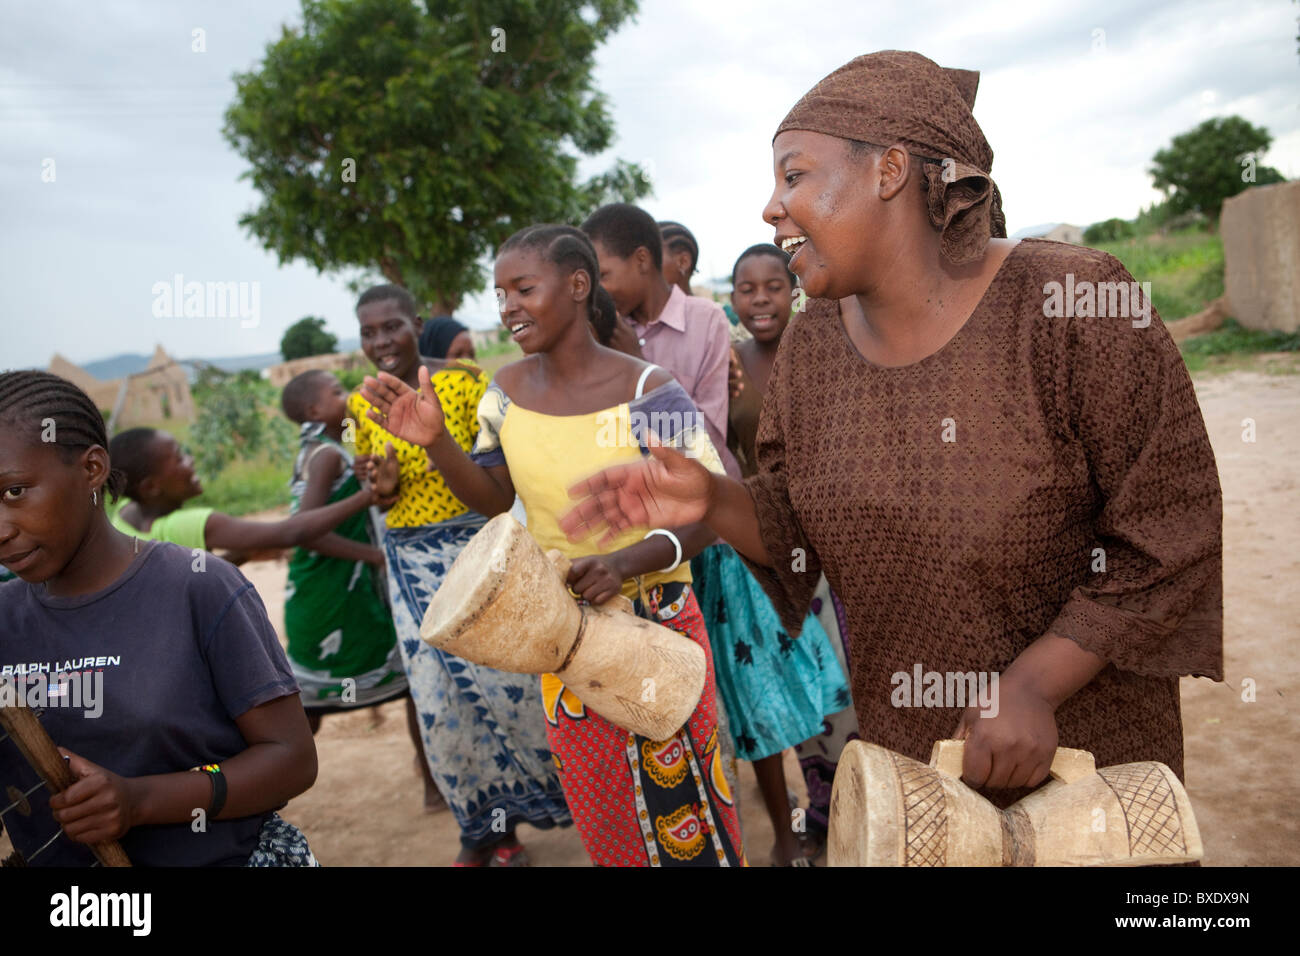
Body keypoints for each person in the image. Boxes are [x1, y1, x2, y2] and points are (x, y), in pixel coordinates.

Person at [559, 51, 1223, 812]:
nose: (771, 208)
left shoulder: (1069, 303)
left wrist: (1036, 684)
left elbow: (1171, 523)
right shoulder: (814, 348)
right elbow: (795, 527)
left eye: (794, 175)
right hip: (912, 766)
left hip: (1088, 762)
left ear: (890, 171)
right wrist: (708, 496)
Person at [359, 225, 746, 867]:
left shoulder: (653, 389)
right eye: (499, 293)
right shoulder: (504, 393)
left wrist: (626, 561)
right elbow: (490, 498)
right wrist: (435, 442)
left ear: (576, 284)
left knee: (689, 810)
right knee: (609, 814)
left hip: (660, 626)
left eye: (523, 288)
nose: (507, 305)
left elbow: (713, 509)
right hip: (562, 637)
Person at [0, 371, 320, 866]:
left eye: (15, 492)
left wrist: (139, 801)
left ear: (91, 469)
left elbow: (291, 759)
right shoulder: (5, 619)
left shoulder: (199, 587)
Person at [349, 283, 570, 866]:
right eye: (368, 332)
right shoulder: (362, 400)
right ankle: (485, 832)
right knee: (441, 703)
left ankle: (573, 798)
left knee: (512, 685)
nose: (380, 342)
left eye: (391, 327)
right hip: (409, 565)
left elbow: (495, 476)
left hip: (474, 550)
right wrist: (382, 484)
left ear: (417, 324)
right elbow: (379, 491)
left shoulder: (465, 383)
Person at [727, 242, 859, 860]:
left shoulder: (827, 350)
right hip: (767, 554)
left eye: (773, 287)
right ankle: (818, 817)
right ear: (732, 299)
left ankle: (866, 807)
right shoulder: (725, 369)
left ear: (793, 290)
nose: (761, 300)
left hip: (836, 546)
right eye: (747, 289)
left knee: (846, 688)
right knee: (793, 691)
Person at [107, 426, 372, 561]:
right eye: (179, 458)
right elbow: (292, 532)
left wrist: (245, 552)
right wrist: (367, 497)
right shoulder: (189, 525)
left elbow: (194, 573)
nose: (191, 460)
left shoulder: (123, 516)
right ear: (151, 487)